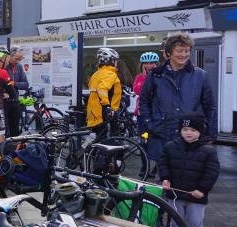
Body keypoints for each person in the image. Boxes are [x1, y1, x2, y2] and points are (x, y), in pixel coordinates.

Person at [140, 33, 217, 163]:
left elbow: (210, 106)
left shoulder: (200, 76)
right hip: (162, 134)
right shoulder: (155, 75)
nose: (183, 54)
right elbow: (144, 101)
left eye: (187, 51)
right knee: (163, 178)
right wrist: (150, 123)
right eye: (179, 51)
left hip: (190, 136)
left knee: (189, 177)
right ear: (169, 53)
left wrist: (210, 134)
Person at [158, 113, 219, 227]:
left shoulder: (208, 150)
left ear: (200, 131)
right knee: (175, 226)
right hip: (175, 195)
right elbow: (163, 164)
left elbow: (211, 172)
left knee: (195, 226)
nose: (188, 132)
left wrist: (202, 189)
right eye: (185, 129)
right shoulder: (170, 147)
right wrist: (165, 178)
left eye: (193, 130)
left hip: (196, 197)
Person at [86, 47, 121, 137]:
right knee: (107, 140)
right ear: (112, 61)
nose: (116, 63)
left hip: (94, 111)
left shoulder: (96, 74)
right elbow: (102, 89)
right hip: (104, 112)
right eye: (116, 60)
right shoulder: (110, 74)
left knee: (99, 137)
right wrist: (107, 106)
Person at [4, 47, 29, 137]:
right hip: (4, 102)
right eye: (16, 59)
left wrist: (14, 83)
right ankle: (2, 149)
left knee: (15, 129)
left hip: (15, 101)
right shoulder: (4, 66)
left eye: (20, 59)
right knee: (4, 129)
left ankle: (14, 149)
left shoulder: (19, 67)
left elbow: (26, 84)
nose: (18, 61)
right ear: (10, 56)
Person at [132, 51, 159, 137]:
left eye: (151, 63)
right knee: (143, 136)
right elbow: (137, 91)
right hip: (142, 111)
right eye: (146, 64)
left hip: (156, 110)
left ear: (156, 64)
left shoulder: (160, 76)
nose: (149, 66)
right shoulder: (139, 77)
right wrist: (144, 76)